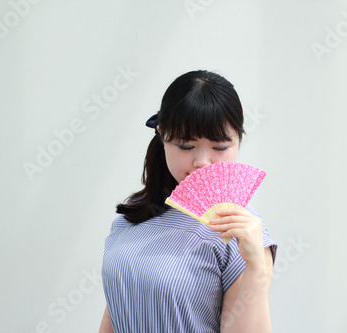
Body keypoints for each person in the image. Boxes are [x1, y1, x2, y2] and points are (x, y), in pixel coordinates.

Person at [99, 70, 277, 333]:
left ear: (238, 140)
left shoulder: (239, 231)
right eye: (185, 146)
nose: (202, 162)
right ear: (162, 135)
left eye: (219, 147)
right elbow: (115, 316)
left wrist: (257, 267)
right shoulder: (127, 223)